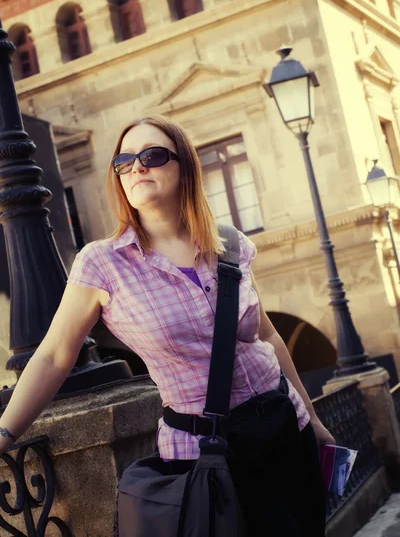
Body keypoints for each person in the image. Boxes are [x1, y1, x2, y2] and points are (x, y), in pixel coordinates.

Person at [0, 114, 334, 536]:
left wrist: (314, 420)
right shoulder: (102, 264)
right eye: (124, 161)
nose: (136, 167)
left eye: (152, 155)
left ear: (184, 166)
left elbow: (265, 335)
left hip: (287, 427)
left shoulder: (228, 243)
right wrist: (6, 433)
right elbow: (53, 355)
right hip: (206, 453)